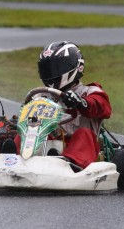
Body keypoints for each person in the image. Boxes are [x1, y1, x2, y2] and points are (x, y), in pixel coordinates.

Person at [14, 41, 112, 169]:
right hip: (48, 144)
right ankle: (13, 157)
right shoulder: (41, 97)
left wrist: (81, 103)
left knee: (84, 134)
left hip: (81, 151)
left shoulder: (90, 92)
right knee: (28, 130)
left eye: (55, 68)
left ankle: (67, 162)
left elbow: (103, 108)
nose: (50, 73)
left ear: (74, 67)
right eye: (47, 69)